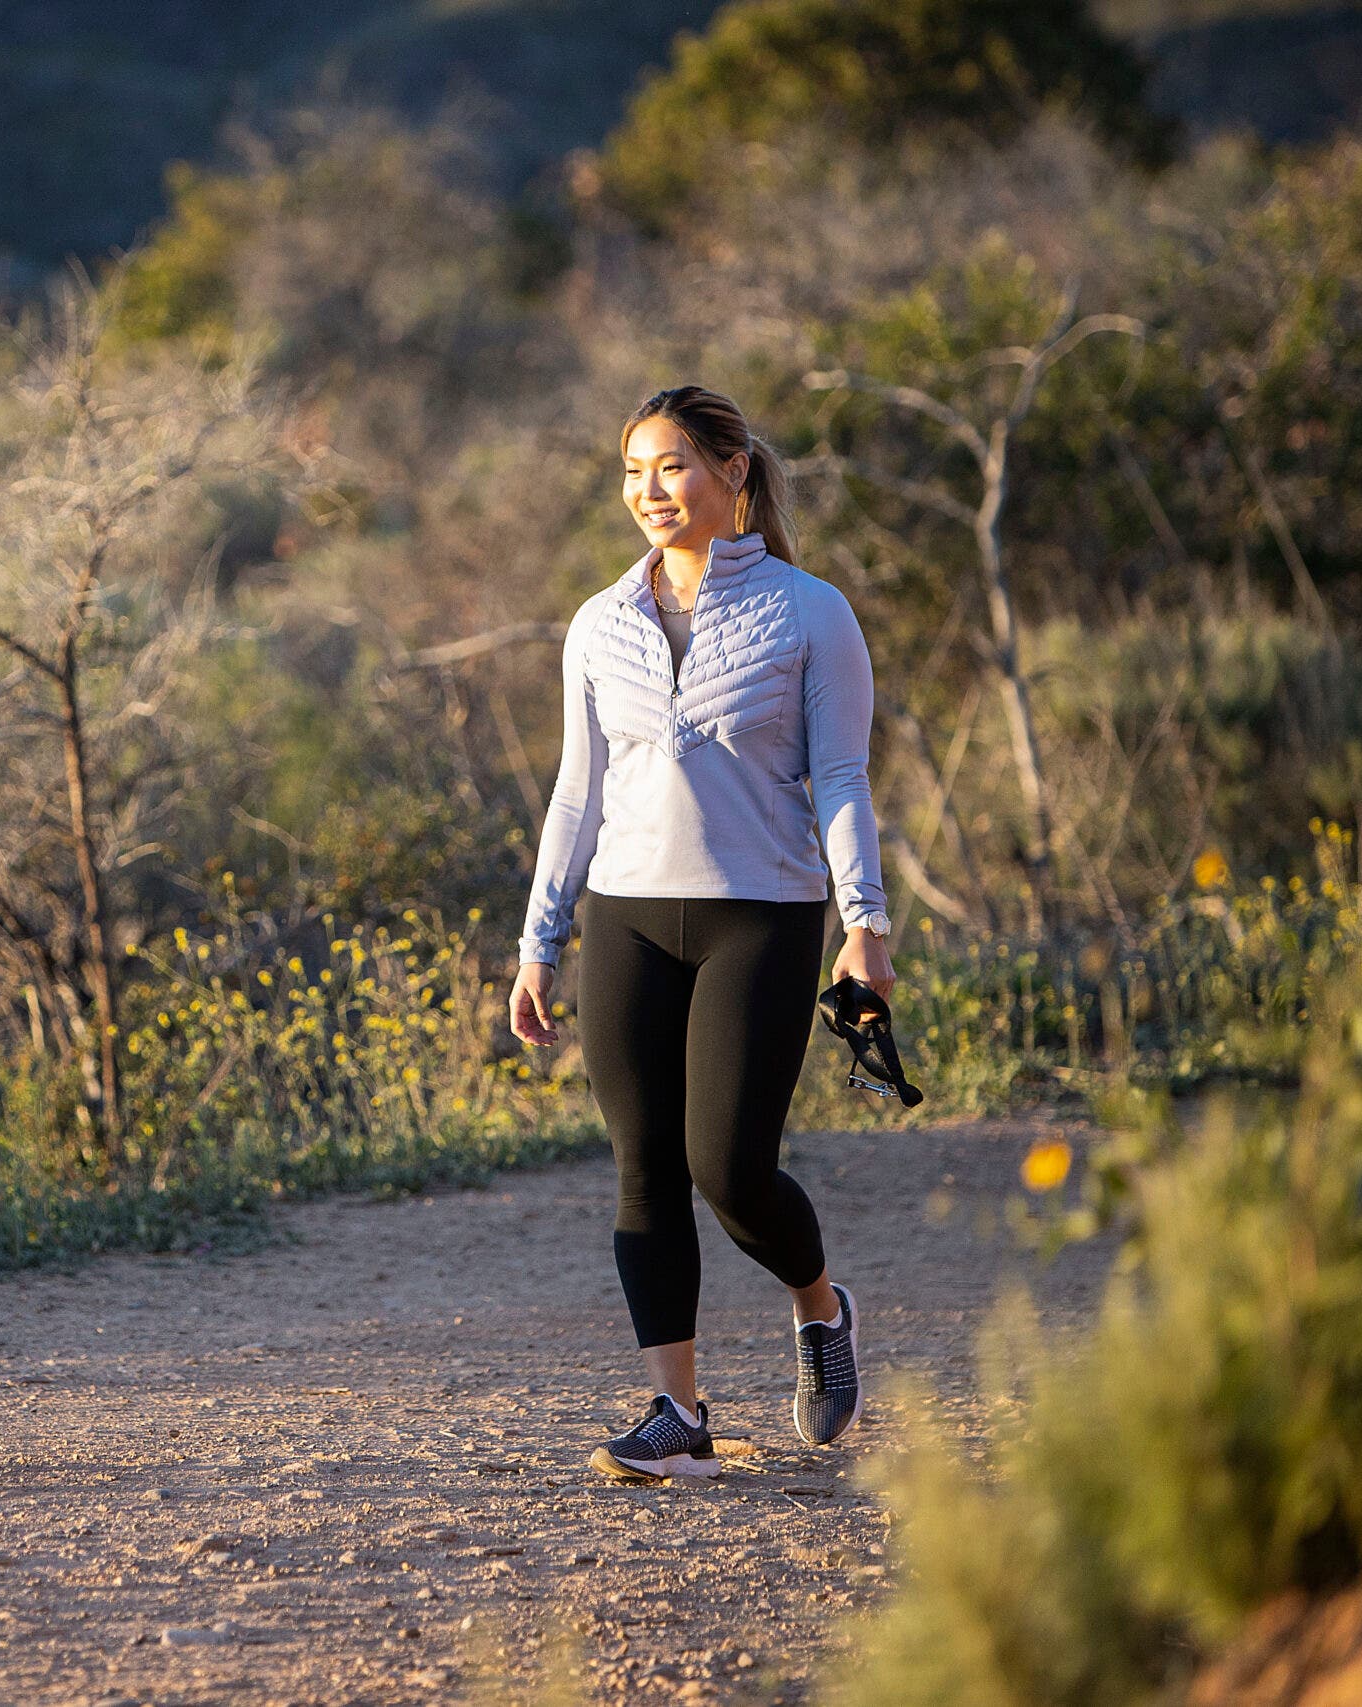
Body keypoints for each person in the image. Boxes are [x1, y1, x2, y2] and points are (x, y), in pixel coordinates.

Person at [508, 385, 895, 1483]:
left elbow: (839, 778)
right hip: (625, 917)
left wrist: (862, 926)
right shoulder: (599, 622)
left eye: (671, 467)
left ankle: (819, 1309)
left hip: (762, 915)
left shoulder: (810, 611)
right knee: (644, 1168)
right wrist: (540, 939)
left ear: (733, 472)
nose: (649, 492)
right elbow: (576, 793)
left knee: (725, 1166)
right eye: (634, 472)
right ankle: (676, 1412)